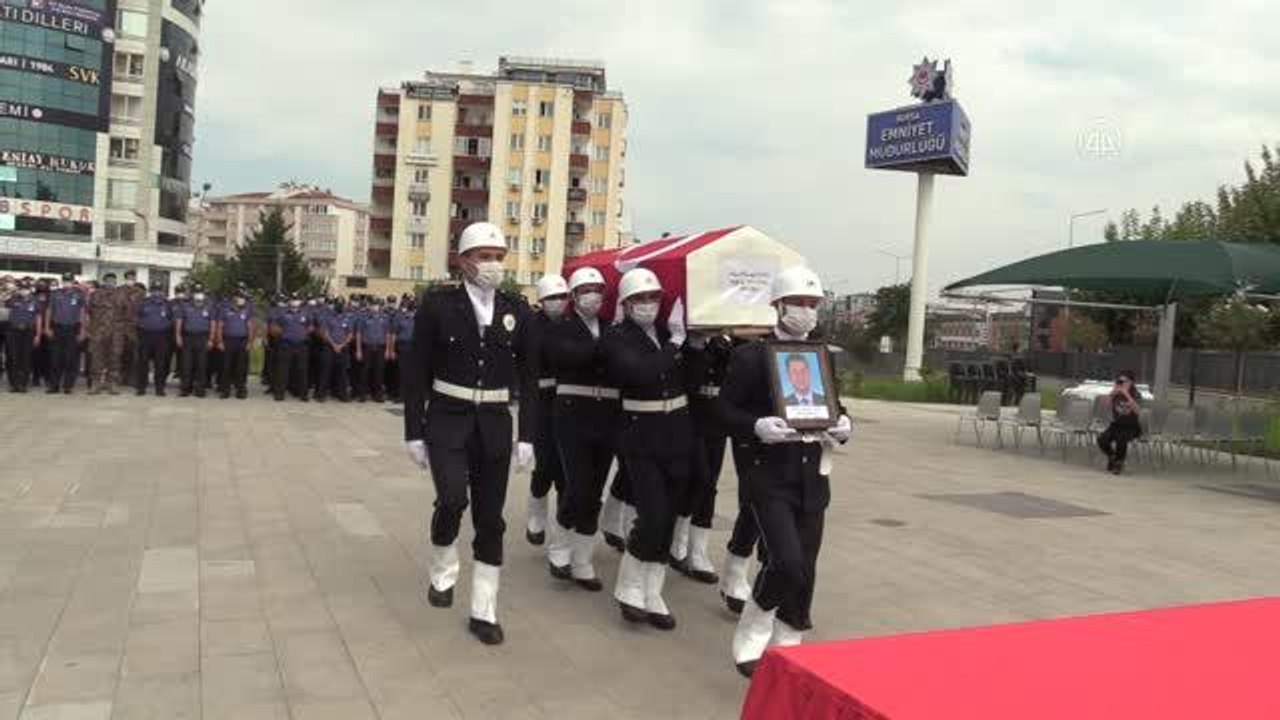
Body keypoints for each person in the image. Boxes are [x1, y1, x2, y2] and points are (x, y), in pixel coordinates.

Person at [402, 221, 537, 646]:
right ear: (463, 261)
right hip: (447, 417)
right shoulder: (439, 305)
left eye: (499, 257)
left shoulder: (517, 309)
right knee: (453, 499)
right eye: (484, 257)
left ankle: (484, 608)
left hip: (495, 421)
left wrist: (528, 434)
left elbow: (531, 378)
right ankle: (443, 568)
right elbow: (416, 370)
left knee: (491, 520)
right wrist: (413, 431)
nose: (493, 265)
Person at [718, 266, 853, 677]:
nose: (806, 311)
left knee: (807, 565)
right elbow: (723, 410)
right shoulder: (749, 356)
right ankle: (756, 622)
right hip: (767, 474)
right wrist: (755, 426)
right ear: (777, 305)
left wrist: (845, 424)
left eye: (813, 304)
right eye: (799, 302)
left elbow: (833, 405)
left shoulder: (822, 356)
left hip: (813, 474)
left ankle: (790, 635)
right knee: (787, 561)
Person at [604, 268, 691, 631]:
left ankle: (653, 591)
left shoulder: (666, 332)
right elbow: (639, 374)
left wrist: (699, 343)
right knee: (652, 514)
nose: (647, 305)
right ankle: (628, 587)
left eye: (653, 298)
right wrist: (675, 344)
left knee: (669, 517)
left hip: (678, 434)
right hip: (641, 436)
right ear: (625, 304)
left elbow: (694, 377)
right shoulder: (615, 338)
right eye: (639, 299)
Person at [542, 268, 619, 591]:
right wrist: (609, 345)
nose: (593, 295)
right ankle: (560, 545)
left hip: (607, 414)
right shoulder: (561, 328)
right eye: (586, 289)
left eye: (597, 289)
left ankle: (583, 558)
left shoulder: (610, 327)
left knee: (595, 489)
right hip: (572, 413)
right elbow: (569, 358)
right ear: (573, 296)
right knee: (577, 485)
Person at [669, 330, 737, 585]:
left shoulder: (725, 344)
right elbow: (687, 381)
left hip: (715, 420)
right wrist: (697, 347)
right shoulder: (685, 342)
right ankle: (678, 540)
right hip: (688, 416)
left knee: (710, 484)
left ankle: (697, 551)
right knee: (697, 478)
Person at [525, 274, 570, 549]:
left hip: (568, 400)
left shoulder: (572, 324)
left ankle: (563, 529)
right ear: (541, 300)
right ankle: (536, 515)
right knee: (544, 465)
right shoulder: (531, 325)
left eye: (562, 297)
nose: (558, 302)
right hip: (541, 400)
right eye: (552, 298)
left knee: (566, 469)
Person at [85, 273, 131, 395]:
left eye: (113, 281)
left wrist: (122, 327)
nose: (111, 283)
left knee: (115, 358)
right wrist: (90, 329)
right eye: (108, 281)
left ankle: (113, 384)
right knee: (96, 359)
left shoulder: (122, 295)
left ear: (116, 282)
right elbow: (88, 312)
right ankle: (96, 384)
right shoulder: (95, 294)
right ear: (104, 281)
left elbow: (128, 312)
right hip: (98, 331)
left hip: (116, 332)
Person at [45, 272, 86, 394]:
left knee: (70, 359)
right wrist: (47, 327)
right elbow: (49, 311)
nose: (67, 283)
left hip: (73, 329)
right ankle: (54, 386)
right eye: (65, 281)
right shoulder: (55, 294)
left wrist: (83, 330)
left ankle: (68, 386)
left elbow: (83, 313)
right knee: (55, 358)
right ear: (62, 281)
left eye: (69, 281)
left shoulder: (79, 295)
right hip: (57, 328)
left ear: (73, 282)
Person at [1097, 371, 1142, 475]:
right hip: (1116, 424)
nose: (1121, 383)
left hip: (1131, 426)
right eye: (1119, 381)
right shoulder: (1116, 393)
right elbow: (1104, 405)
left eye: (1124, 381)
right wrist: (1112, 393)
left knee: (1121, 439)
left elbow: (1138, 411)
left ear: (1131, 382)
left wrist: (1126, 394)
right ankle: (1112, 456)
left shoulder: (1135, 393)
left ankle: (1119, 463)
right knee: (1102, 440)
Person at [271, 292, 314, 402]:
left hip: (302, 345)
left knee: (302, 371)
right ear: (290, 301)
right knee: (282, 371)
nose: (295, 301)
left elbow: (311, 326)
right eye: (294, 299)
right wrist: (280, 332)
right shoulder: (282, 312)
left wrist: (305, 332)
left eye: (298, 299)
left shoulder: (306, 313)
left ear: (301, 301)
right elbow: (274, 326)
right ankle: (279, 394)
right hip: (286, 345)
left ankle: (302, 394)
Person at [175, 283, 215, 398]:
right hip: (188, 337)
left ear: (204, 294)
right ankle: (185, 389)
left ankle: (200, 389)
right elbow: (179, 321)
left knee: (201, 364)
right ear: (192, 294)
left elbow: (212, 323)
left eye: (200, 292)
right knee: (186, 364)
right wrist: (178, 336)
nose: (198, 295)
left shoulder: (209, 306)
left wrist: (211, 339)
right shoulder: (185, 305)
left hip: (203, 338)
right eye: (196, 292)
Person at [215, 287, 255, 399]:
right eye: (239, 297)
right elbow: (220, 326)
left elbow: (251, 327)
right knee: (226, 366)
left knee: (241, 367)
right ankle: (225, 390)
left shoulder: (247, 310)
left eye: (243, 297)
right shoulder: (225, 309)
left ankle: (241, 390)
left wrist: (250, 342)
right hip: (228, 340)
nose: (241, 299)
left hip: (242, 341)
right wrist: (220, 341)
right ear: (234, 298)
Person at [135, 281, 173, 396]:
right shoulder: (143, 302)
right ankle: (141, 387)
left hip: (161, 336)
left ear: (162, 291)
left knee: (160, 364)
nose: (157, 292)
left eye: (159, 290)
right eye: (154, 290)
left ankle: (159, 388)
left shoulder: (167, 304)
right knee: (143, 363)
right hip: (145, 335)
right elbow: (137, 317)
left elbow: (171, 319)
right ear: (150, 291)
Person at [4, 278, 42, 392]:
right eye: (21, 289)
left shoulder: (35, 301)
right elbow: (3, 301)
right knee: (14, 358)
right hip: (13, 331)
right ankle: (14, 384)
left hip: (28, 332)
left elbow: (38, 318)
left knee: (26, 359)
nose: (24, 291)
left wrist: (38, 334)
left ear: (30, 290)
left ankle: (23, 384)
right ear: (18, 289)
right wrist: (10, 292)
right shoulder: (12, 299)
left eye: (26, 289)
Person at [317, 297, 355, 403]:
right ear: (334, 305)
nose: (340, 306)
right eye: (338, 304)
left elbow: (350, 334)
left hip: (343, 348)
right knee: (325, 371)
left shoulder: (348, 317)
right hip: (329, 347)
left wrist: (341, 345)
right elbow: (325, 332)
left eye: (341, 304)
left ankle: (342, 395)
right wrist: (334, 345)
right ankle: (321, 395)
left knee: (342, 373)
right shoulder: (327, 316)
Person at [356, 296, 391, 403]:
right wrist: (359, 350)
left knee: (379, 372)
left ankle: (378, 395)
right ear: (370, 305)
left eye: (376, 305)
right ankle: (362, 394)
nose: (375, 307)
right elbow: (358, 334)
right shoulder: (363, 317)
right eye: (373, 305)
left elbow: (388, 335)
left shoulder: (385, 317)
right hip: (367, 347)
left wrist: (387, 350)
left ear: (379, 306)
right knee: (364, 372)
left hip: (380, 348)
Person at [387, 294, 415, 402]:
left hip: (413, 348)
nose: (412, 312)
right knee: (400, 373)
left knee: (410, 373)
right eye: (410, 310)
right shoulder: (399, 318)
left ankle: (407, 395)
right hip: (402, 346)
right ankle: (399, 395)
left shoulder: (417, 319)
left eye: (413, 310)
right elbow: (393, 335)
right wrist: (392, 350)